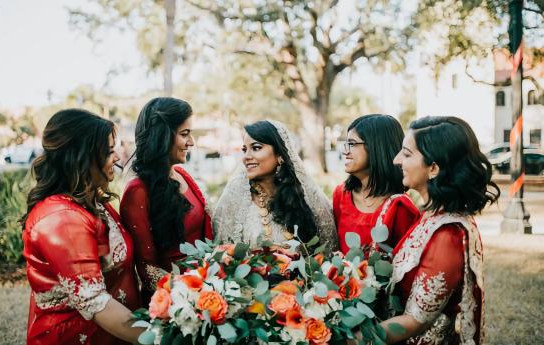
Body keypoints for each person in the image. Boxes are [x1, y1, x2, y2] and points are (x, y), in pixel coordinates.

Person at [22, 109, 143, 345]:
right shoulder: (61, 219)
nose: (117, 157)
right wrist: (160, 337)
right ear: (82, 158)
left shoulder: (90, 202)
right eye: (109, 152)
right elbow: (95, 302)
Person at [377, 116, 500, 344]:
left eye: (406, 154)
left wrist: (351, 338)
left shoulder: (447, 236)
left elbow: (415, 321)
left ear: (433, 168)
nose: (396, 160)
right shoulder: (431, 216)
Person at [120, 97, 213, 305]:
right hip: (172, 303)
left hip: (208, 289)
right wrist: (188, 294)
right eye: (184, 134)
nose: (191, 143)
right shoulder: (137, 192)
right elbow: (147, 268)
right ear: (161, 136)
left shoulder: (181, 174)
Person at [213, 120, 338, 252]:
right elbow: (221, 254)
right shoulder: (234, 201)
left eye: (256, 148)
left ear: (280, 155)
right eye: (244, 150)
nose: (246, 157)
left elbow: (328, 253)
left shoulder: (308, 198)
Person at [333, 115, 419, 255]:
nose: (345, 151)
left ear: (376, 147)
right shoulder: (341, 194)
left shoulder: (400, 206)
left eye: (352, 143)